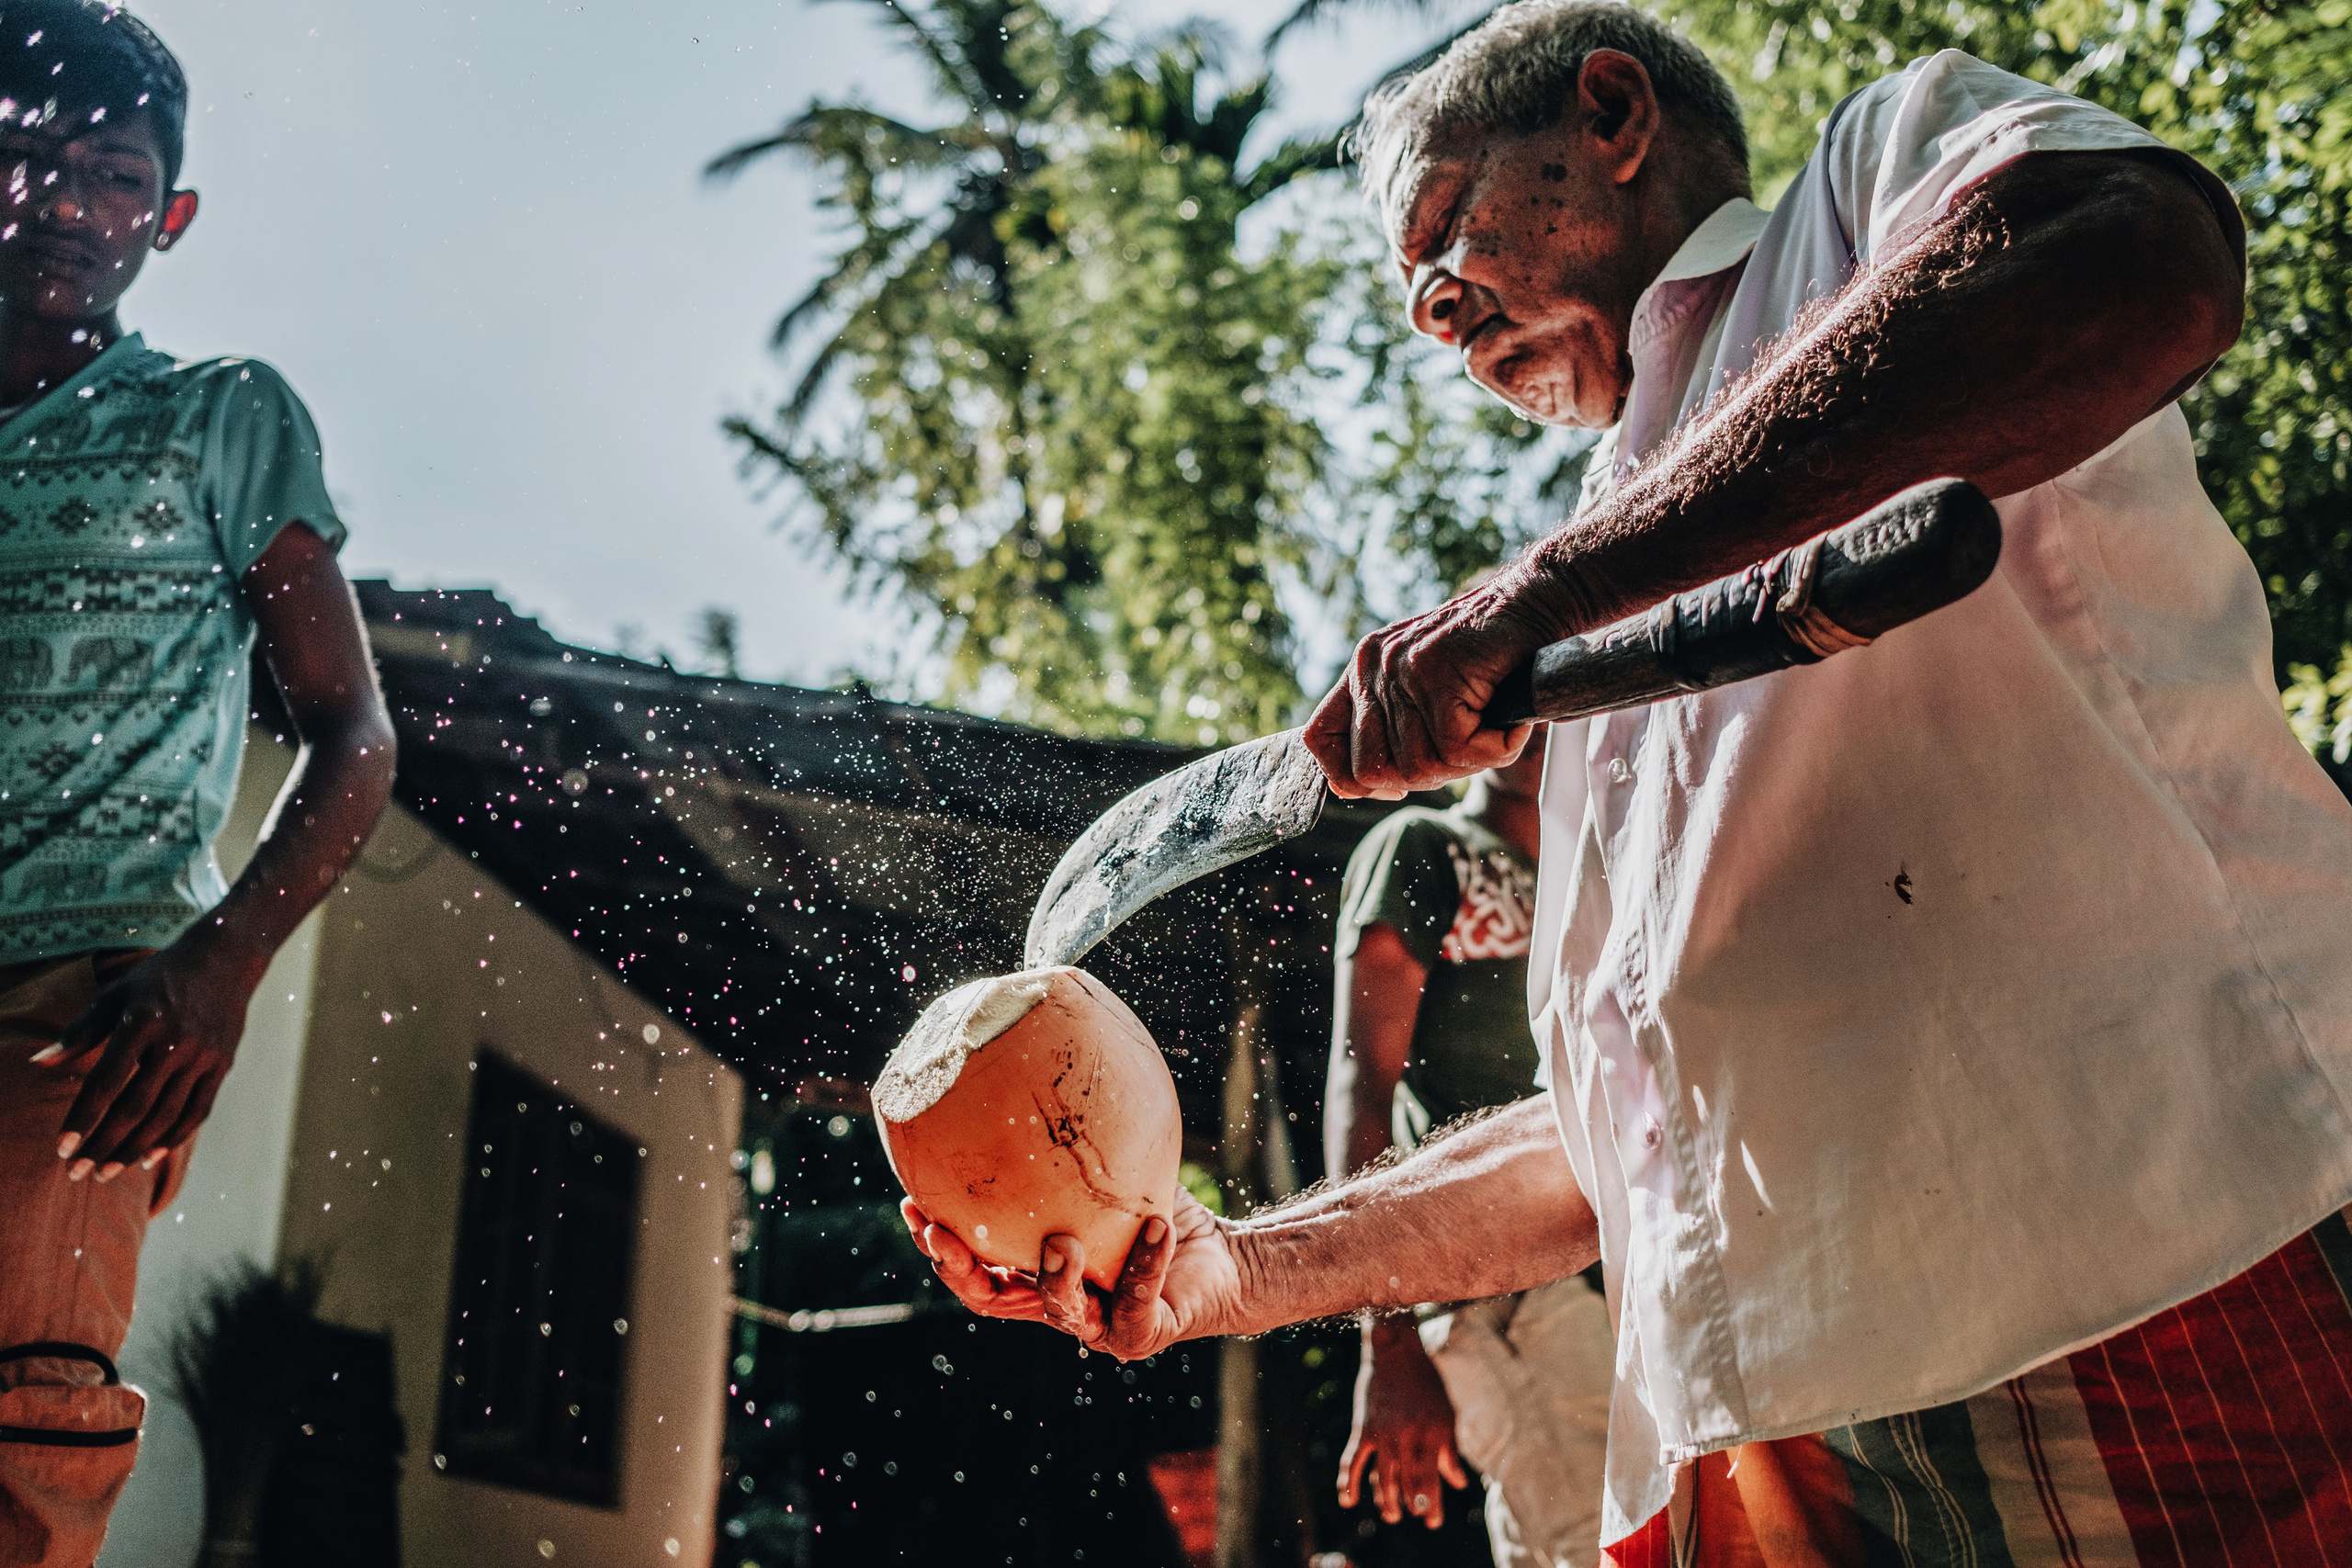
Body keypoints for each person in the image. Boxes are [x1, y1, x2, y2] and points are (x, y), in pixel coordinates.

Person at [907, 2, 2352, 1562]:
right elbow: (1615, 1146)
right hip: (1771, 1432)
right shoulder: (1586, 634)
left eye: (1447, 254)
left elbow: (2140, 254)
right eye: (1420, 315)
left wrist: (1547, 597)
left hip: (2144, 1281)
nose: (1444, 330)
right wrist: (1233, 1272)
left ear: (1611, 113)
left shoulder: (1868, 186)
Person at [0, 6, 394, 1562]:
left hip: (91, 1005)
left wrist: (215, 970)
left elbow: (354, 730)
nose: (65, 204)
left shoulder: (219, 415)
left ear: (168, 220)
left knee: (25, 1419)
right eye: (27, 160)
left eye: (109, 173)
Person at [1329, 726, 1613, 1567]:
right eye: (1514, 700)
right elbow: (1362, 1086)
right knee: (1611, 1543)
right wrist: (1386, 1342)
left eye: (1558, 696)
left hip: (1590, 1271)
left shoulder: (1592, 862)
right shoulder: (1425, 845)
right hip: (1498, 1288)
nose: (1541, 726)